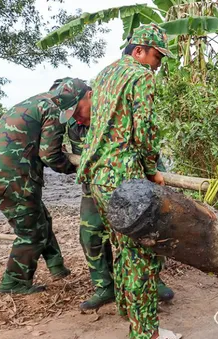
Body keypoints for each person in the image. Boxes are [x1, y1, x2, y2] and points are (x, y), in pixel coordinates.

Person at [76, 23, 181, 339]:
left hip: (98, 178)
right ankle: (146, 333)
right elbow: (145, 130)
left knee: (121, 248)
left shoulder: (105, 74)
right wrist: (152, 171)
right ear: (139, 51)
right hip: (125, 182)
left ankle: (127, 308)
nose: (158, 65)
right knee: (140, 257)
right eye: (157, 57)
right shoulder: (140, 76)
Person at [49, 78, 176, 312]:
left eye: (77, 110)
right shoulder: (76, 127)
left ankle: (152, 281)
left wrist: (156, 180)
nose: (76, 117)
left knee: (141, 232)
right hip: (96, 187)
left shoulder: (116, 114)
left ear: (90, 95)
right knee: (90, 234)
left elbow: (146, 144)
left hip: (133, 184)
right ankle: (104, 286)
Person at [0, 78, 92, 294]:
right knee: (31, 232)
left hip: (2, 174)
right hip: (13, 178)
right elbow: (49, 155)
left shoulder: (37, 102)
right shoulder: (54, 109)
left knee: (41, 219)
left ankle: (57, 268)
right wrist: (77, 167)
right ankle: (14, 283)